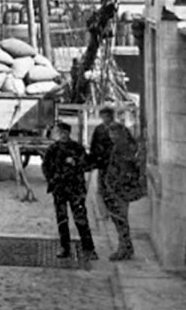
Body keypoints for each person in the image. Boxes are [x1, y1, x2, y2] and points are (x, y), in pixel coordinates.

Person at [89, 105, 144, 261]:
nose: (111, 137)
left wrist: (119, 185)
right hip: (110, 182)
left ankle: (124, 248)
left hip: (121, 188)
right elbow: (95, 151)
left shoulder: (125, 147)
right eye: (110, 134)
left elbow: (129, 168)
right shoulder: (106, 136)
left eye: (114, 134)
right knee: (116, 217)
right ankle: (125, 246)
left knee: (120, 218)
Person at [43, 122, 97, 260]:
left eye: (64, 132)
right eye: (60, 132)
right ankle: (64, 247)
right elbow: (46, 167)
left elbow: (87, 165)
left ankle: (88, 248)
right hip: (59, 189)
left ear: (69, 133)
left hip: (75, 189)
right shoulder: (53, 149)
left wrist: (75, 162)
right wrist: (52, 181)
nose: (62, 135)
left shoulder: (77, 148)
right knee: (62, 219)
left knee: (80, 218)